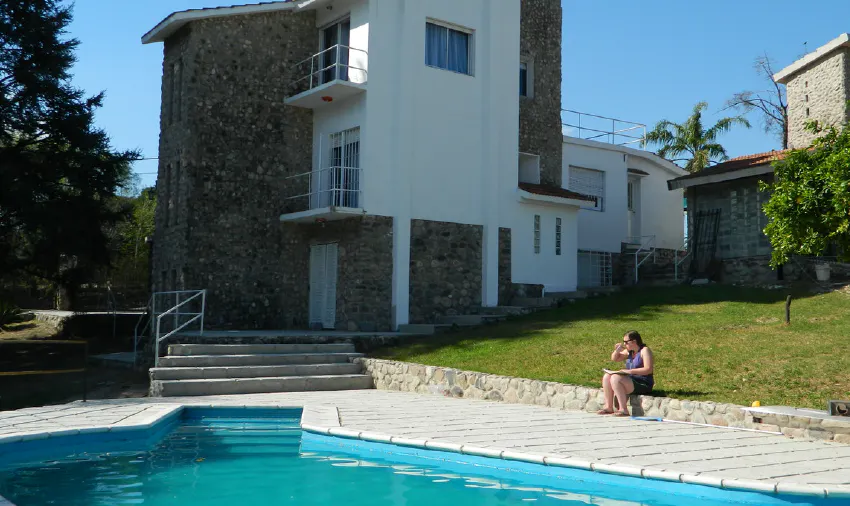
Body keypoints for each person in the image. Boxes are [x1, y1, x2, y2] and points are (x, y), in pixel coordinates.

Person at [597, 330, 654, 416]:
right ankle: (609, 407)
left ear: (634, 341)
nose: (624, 344)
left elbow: (648, 369)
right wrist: (617, 350)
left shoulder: (644, 351)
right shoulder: (629, 351)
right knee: (607, 376)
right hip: (631, 380)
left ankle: (623, 409)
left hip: (643, 383)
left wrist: (629, 371)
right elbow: (615, 359)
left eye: (626, 342)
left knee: (615, 378)